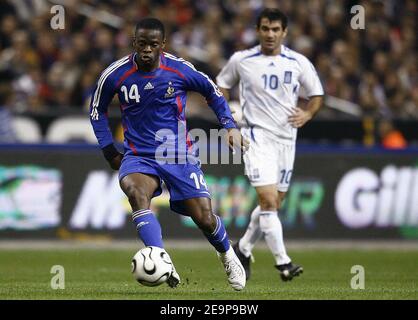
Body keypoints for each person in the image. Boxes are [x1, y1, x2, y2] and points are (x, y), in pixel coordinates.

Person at [89, 18, 249, 291]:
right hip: (138, 155)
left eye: (153, 44)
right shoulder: (116, 74)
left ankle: (227, 254)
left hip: (178, 154)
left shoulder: (179, 69)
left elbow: (213, 92)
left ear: (162, 45)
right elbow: (97, 111)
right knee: (136, 195)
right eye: (142, 44)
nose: (147, 50)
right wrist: (108, 150)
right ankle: (161, 258)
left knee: (204, 218)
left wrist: (229, 126)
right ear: (134, 43)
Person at [217, 8, 324, 281]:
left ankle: (242, 248)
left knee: (273, 204)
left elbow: (316, 94)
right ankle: (283, 263)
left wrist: (308, 113)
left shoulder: (298, 62)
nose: (270, 34)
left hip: (287, 140)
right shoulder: (242, 60)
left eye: (276, 30)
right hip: (255, 137)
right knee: (267, 200)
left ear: (284, 32)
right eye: (265, 28)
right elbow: (221, 85)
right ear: (258, 30)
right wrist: (229, 120)